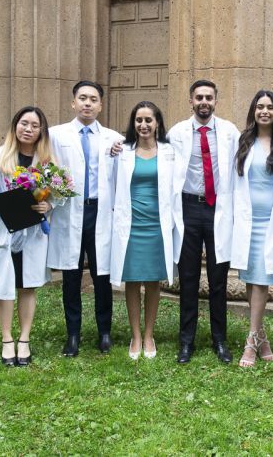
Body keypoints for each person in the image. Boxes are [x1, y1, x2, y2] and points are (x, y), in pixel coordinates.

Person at [167, 80, 240, 364]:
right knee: (188, 277)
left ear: (216, 101)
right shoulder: (177, 133)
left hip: (218, 207)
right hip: (188, 208)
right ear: (191, 101)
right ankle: (186, 341)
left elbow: (251, 153)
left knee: (218, 277)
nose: (204, 102)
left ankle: (220, 340)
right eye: (199, 97)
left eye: (209, 97)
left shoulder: (230, 132)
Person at [48, 81, 122, 357]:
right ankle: (73, 334)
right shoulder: (57, 135)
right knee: (71, 274)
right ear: (73, 103)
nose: (87, 103)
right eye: (82, 98)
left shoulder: (113, 138)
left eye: (93, 99)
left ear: (101, 105)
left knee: (102, 274)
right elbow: (26, 145)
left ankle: (104, 331)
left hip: (101, 213)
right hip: (71, 212)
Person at [0, 106, 52, 366]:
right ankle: (7, 339)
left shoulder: (46, 163)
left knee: (27, 285)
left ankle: (25, 339)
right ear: (15, 126)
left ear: (41, 131)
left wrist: (48, 205)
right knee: (3, 286)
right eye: (24, 123)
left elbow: (55, 195)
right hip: (4, 229)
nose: (28, 129)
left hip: (31, 234)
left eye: (34, 125)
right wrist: (11, 204)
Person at [110, 101, 180, 360]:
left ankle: (149, 334)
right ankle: (135, 335)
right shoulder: (123, 152)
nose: (143, 125)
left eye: (148, 120)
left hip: (157, 224)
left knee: (153, 280)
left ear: (158, 123)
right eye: (139, 120)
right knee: (132, 280)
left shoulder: (170, 152)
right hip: (131, 225)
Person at [231, 90, 273, 367]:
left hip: (271, 221)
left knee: (263, 279)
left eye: (269, 107)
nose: (264, 111)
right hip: (247, 219)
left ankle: (251, 341)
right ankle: (261, 336)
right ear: (253, 111)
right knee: (250, 278)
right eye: (259, 107)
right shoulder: (243, 142)